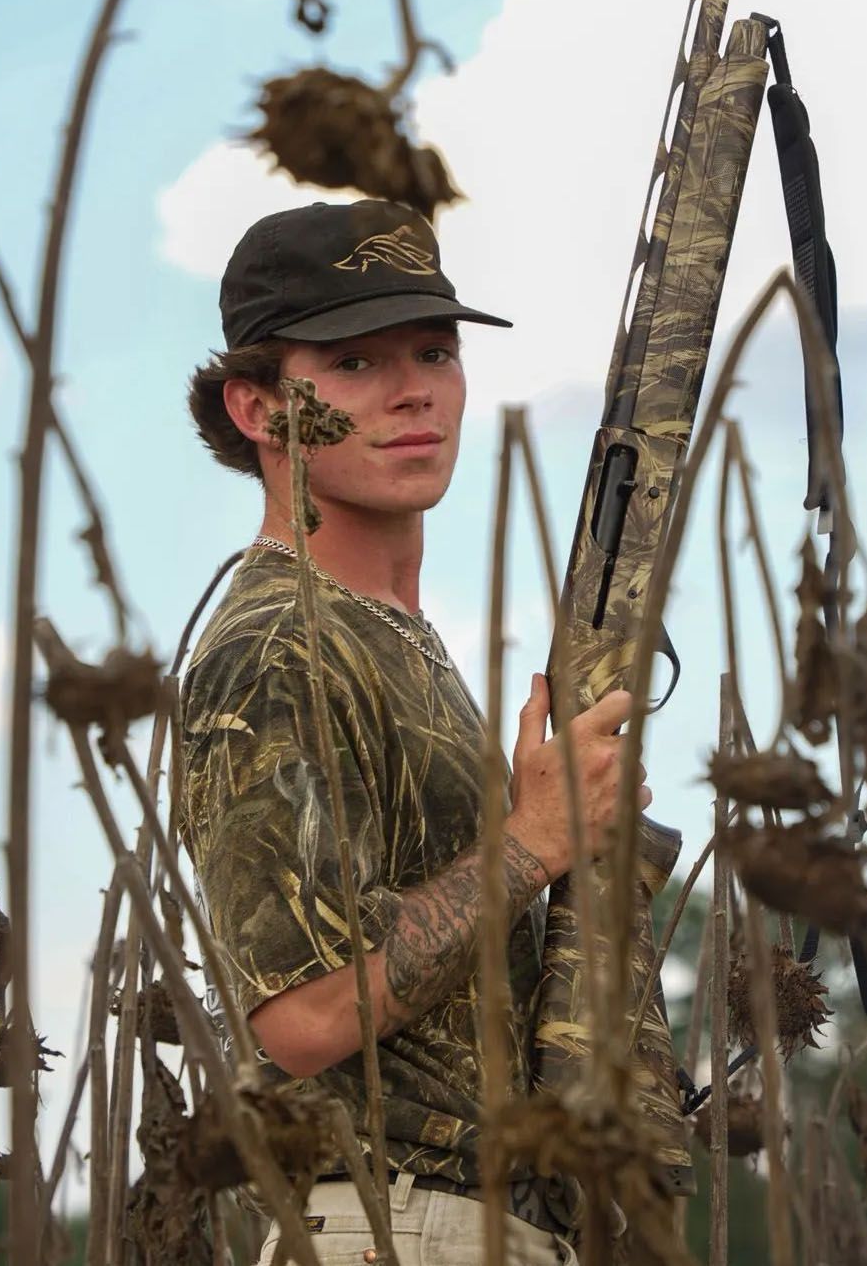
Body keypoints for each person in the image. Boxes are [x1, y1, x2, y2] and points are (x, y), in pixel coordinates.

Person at [179, 199, 652, 1266]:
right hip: (392, 1228)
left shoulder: (392, 638)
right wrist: (534, 839)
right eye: (352, 364)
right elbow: (299, 1018)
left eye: (434, 350)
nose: (412, 392)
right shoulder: (275, 648)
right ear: (257, 408)